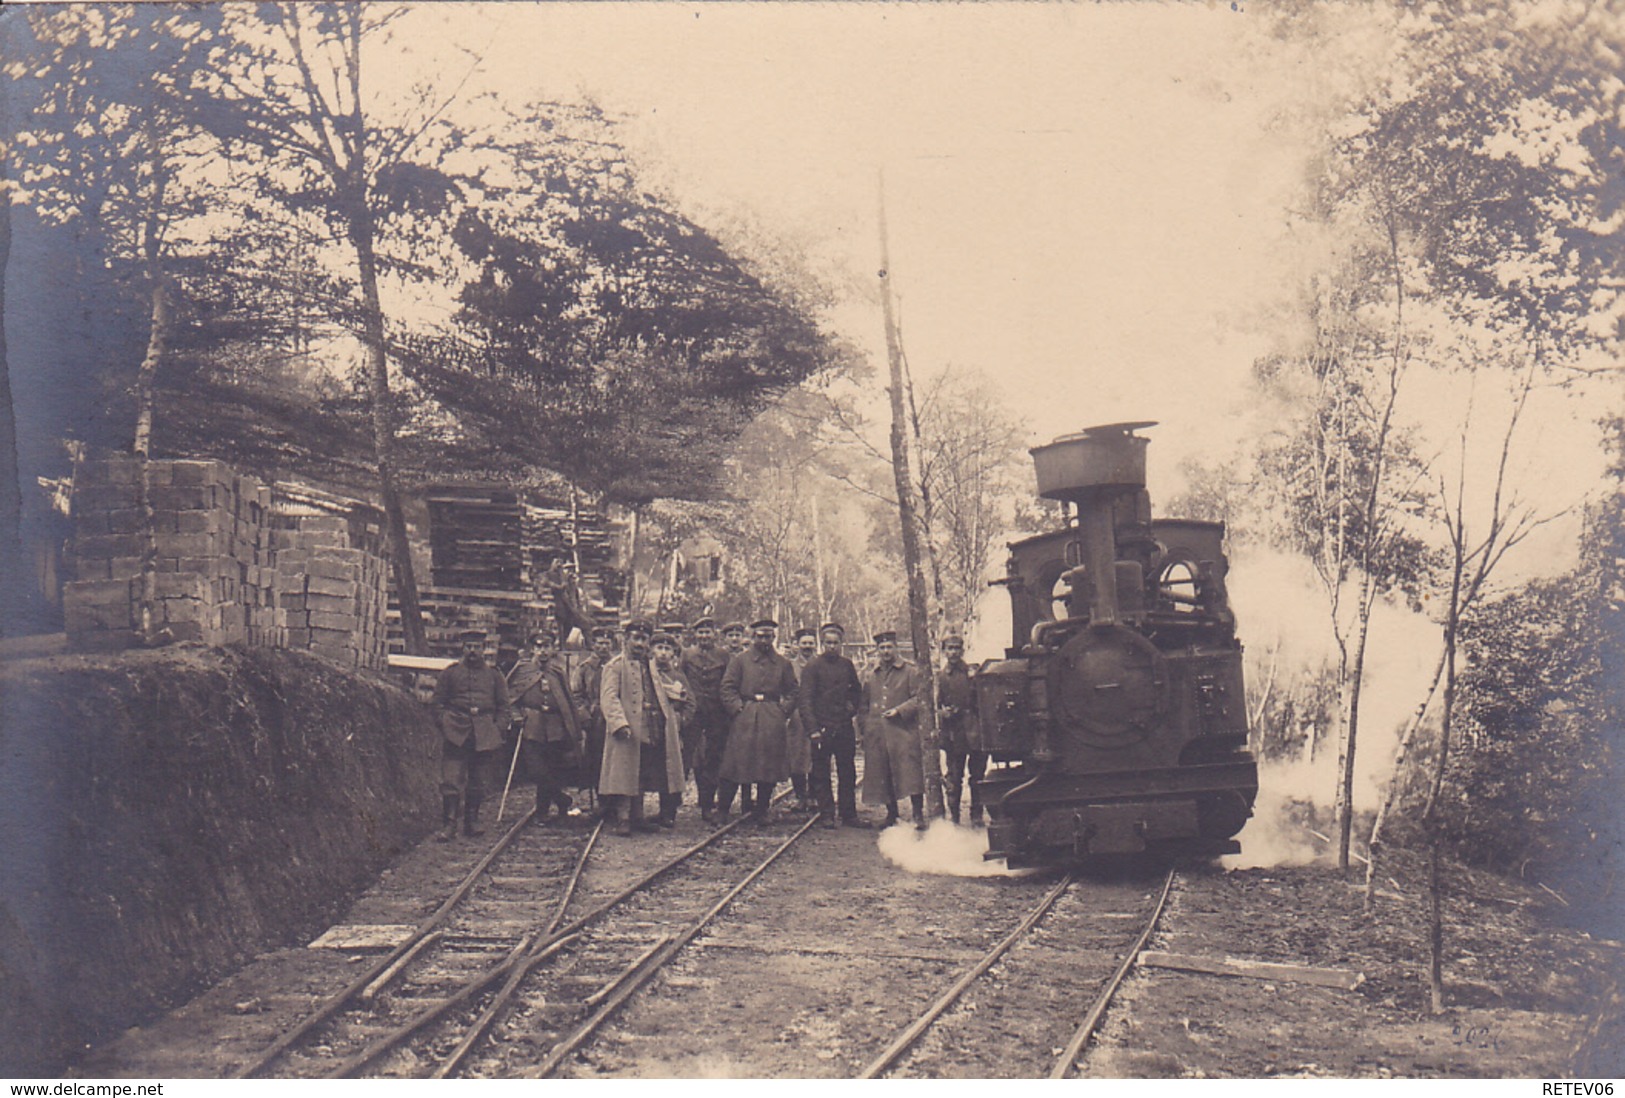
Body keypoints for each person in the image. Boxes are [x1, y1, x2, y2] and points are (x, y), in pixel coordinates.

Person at [599, 620, 688, 835]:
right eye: (635, 638)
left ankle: (637, 817)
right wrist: (619, 723)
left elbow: (659, 687)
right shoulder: (615, 665)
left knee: (641, 771)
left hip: (650, 724)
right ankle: (623, 819)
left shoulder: (650, 665)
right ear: (626, 639)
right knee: (624, 772)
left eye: (644, 639)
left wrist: (678, 694)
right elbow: (609, 697)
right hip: (627, 726)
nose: (639, 643)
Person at [432, 630, 511, 842]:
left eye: (477, 647)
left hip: (484, 734)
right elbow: (437, 703)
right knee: (451, 780)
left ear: (484, 649)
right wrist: (446, 724)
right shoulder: (450, 673)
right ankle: (449, 824)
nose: (473, 651)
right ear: (463, 648)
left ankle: (472, 821)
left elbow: (504, 707)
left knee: (478, 781)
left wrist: (497, 729)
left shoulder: (495, 676)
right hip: (456, 733)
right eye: (469, 647)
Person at [719, 618, 798, 824]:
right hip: (745, 715)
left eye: (768, 637)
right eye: (760, 636)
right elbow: (727, 687)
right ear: (753, 637)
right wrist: (737, 708)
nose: (764, 641)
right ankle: (723, 810)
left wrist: (783, 711)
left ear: (773, 638)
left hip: (772, 717)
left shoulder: (783, 663)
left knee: (768, 764)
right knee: (735, 763)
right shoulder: (740, 661)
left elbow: (792, 691)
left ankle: (762, 810)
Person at [508, 631, 585, 824]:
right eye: (539, 647)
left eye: (547, 647)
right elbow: (509, 699)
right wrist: (517, 717)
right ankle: (562, 799)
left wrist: (574, 726)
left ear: (553, 649)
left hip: (555, 728)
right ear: (533, 649)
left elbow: (567, 700)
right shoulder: (522, 670)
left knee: (553, 770)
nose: (543, 651)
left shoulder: (558, 672)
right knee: (537, 771)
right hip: (531, 726)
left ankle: (544, 812)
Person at [799, 622, 868, 829]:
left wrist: (850, 708)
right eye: (828, 643)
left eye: (835, 643)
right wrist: (812, 729)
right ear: (822, 643)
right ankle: (826, 813)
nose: (831, 647)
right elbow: (805, 700)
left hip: (843, 726)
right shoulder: (813, 667)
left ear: (841, 643)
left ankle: (848, 814)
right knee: (821, 772)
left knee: (847, 771)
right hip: (821, 728)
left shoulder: (847, 665)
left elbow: (856, 692)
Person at [862, 630, 927, 830]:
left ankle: (918, 815)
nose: (886, 651)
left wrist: (900, 710)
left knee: (912, 774)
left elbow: (920, 698)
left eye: (889, 647)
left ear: (896, 648)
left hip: (904, 731)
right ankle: (892, 814)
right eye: (882, 648)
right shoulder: (870, 674)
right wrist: (864, 730)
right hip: (878, 733)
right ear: (877, 650)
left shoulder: (910, 671)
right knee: (883, 772)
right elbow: (863, 705)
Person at [683, 617, 733, 823]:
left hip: (716, 714)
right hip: (693, 714)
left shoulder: (724, 655)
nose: (704, 636)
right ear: (695, 635)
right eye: (700, 632)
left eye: (708, 632)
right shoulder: (687, 654)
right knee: (685, 756)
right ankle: (670, 807)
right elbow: (681, 679)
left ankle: (707, 805)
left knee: (714, 758)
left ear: (715, 634)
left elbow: (729, 682)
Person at [937, 633, 987, 826]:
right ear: (944, 651)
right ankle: (955, 816)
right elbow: (938, 703)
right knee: (954, 777)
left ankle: (976, 815)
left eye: (957, 648)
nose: (953, 652)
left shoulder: (972, 673)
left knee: (977, 776)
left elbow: (980, 700)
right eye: (949, 648)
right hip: (954, 733)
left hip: (974, 730)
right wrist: (944, 713)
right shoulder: (942, 677)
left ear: (962, 650)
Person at [571, 626, 617, 812]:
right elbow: (576, 694)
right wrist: (584, 715)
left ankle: (616, 800)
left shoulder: (618, 665)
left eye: (607, 643)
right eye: (600, 643)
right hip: (595, 720)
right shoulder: (584, 668)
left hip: (615, 718)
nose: (603, 647)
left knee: (615, 760)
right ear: (593, 645)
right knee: (596, 760)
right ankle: (602, 801)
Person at [650, 631, 698, 801]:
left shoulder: (678, 676)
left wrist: (681, 720)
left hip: (672, 730)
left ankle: (668, 812)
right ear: (652, 651)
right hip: (651, 728)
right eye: (659, 648)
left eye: (667, 649)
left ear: (673, 653)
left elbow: (691, 703)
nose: (663, 652)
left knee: (670, 769)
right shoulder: (646, 673)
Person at [785, 627, 819, 813]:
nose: (807, 647)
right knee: (796, 756)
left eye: (810, 643)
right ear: (797, 645)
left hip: (817, 715)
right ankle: (801, 796)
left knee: (816, 755)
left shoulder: (820, 663)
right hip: (796, 716)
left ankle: (814, 796)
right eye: (804, 643)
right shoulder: (789, 666)